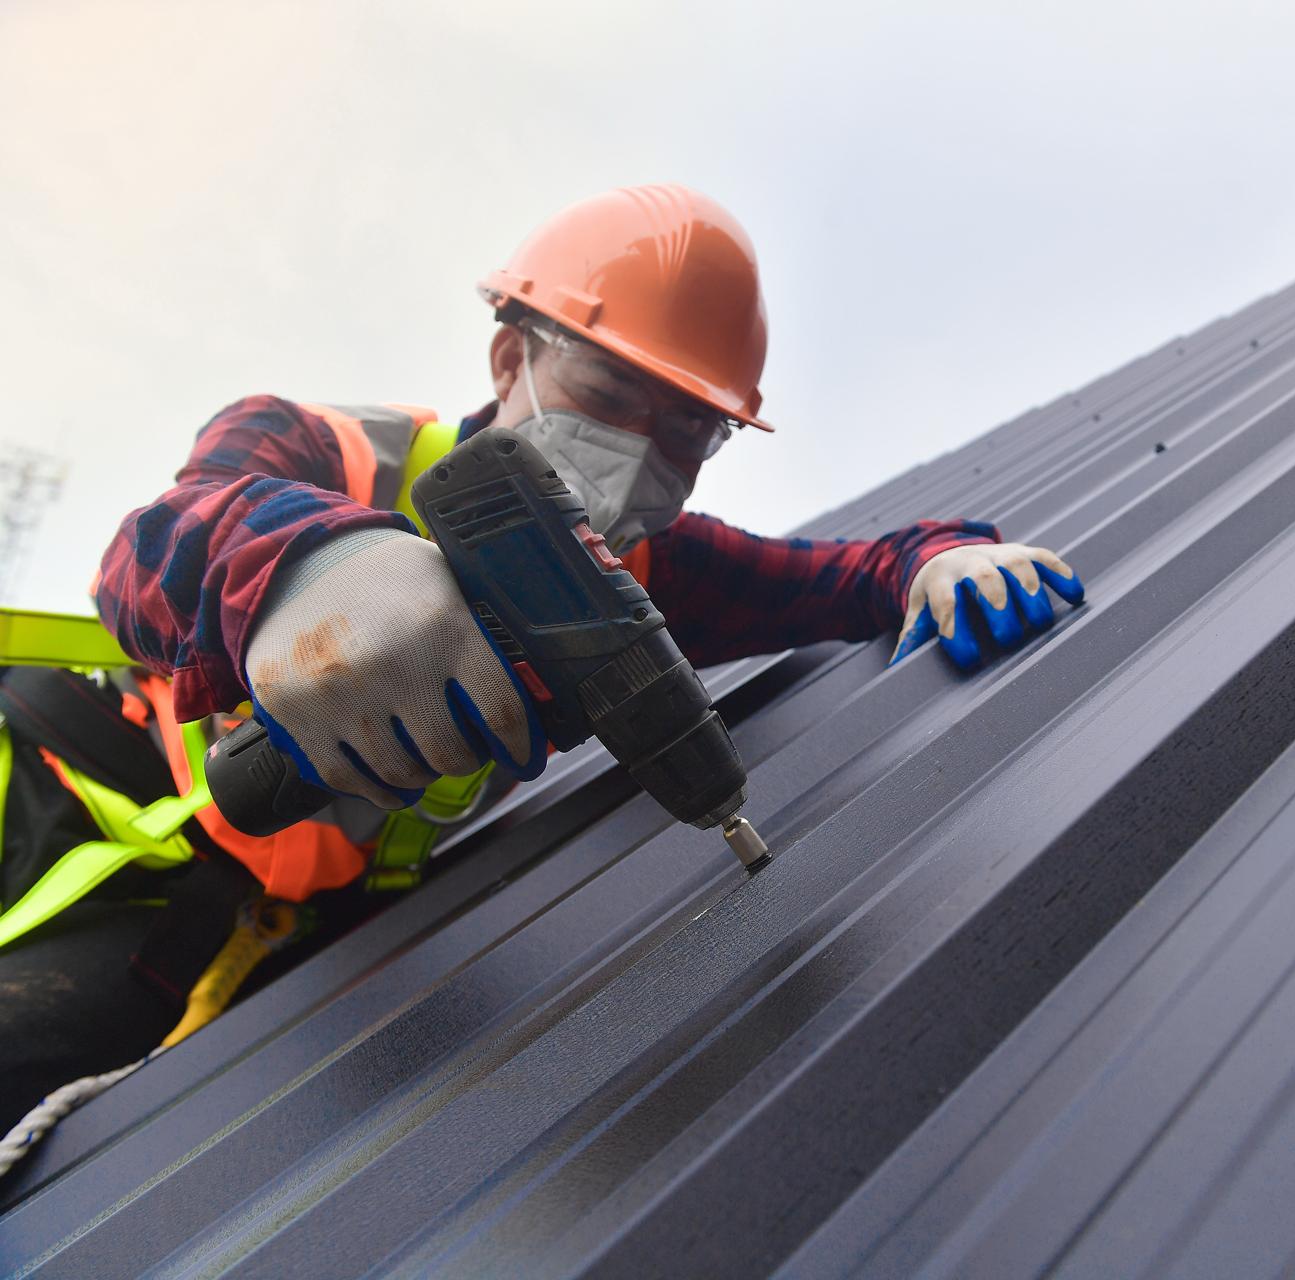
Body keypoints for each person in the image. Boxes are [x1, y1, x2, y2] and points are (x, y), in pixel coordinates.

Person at [0, 184, 1083, 1132]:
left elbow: (852, 573)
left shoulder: (643, 576)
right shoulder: (332, 450)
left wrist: (941, 561)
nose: (641, 453)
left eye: (689, 430)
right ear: (510, 353)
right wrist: (306, 564)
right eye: (611, 396)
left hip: (259, 943)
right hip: (67, 809)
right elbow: (154, 547)